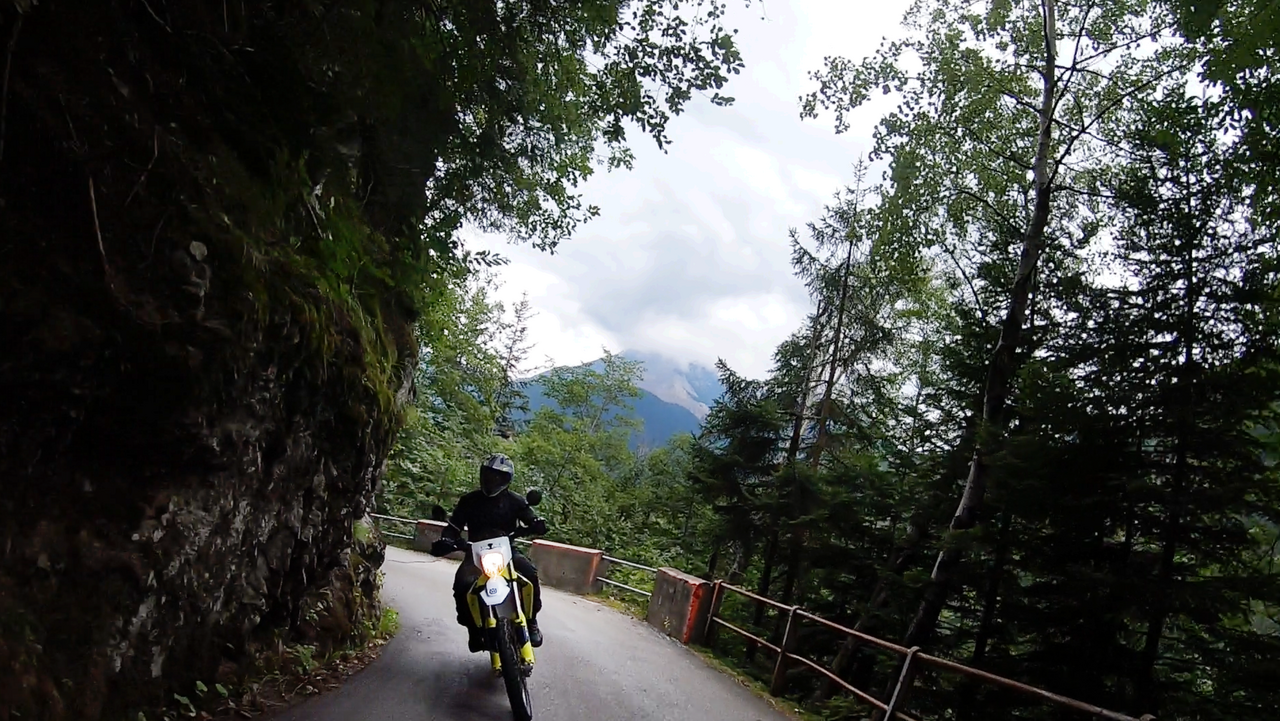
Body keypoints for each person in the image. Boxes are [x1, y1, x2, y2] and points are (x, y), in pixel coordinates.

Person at [429, 453, 548, 652]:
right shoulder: (469, 500)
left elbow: (530, 517)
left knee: (530, 574)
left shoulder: (515, 501)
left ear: (507, 479)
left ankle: (531, 620)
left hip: (507, 550)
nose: (491, 480)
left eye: (497, 476)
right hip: (475, 551)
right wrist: (447, 540)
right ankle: (473, 631)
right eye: (488, 474)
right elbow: (454, 525)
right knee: (462, 585)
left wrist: (537, 524)